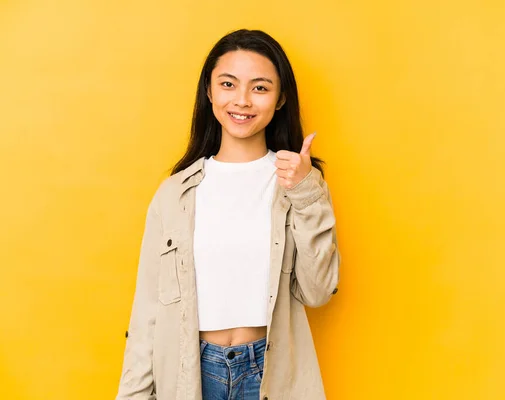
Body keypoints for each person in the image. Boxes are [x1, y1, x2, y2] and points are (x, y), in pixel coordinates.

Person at [116, 29, 340, 400]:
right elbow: (147, 315)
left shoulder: (299, 185)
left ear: (281, 98)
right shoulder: (175, 194)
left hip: (269, 374)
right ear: (209, 91)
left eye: (260, 88)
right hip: (189, 374)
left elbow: (318, 292)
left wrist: (305, 193)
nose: (242, 100)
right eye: (228, 84)